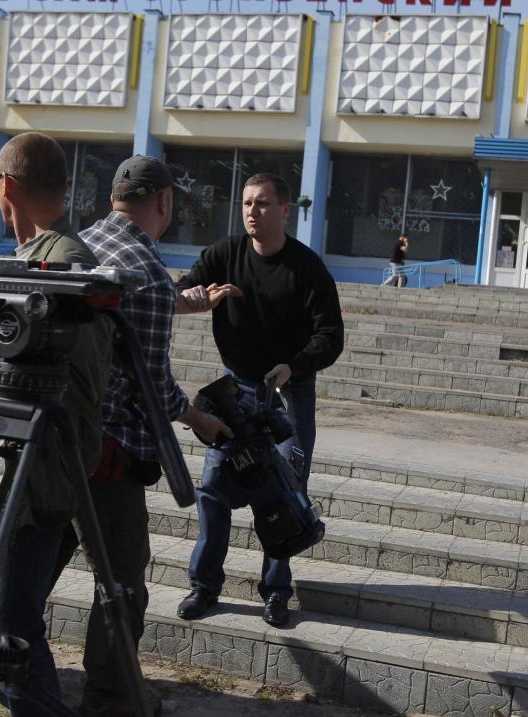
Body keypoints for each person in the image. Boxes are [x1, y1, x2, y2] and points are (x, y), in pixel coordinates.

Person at [0, 132, 111, 716]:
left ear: (5, 185)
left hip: (33, 478)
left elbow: (69, 385)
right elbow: (30, 359)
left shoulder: (68, 265)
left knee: (9, 634)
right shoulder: (33, 255)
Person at [50, 155, 232, 717]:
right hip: (110, 454)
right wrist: (201, 420)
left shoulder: (82, 244)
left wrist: (184, 302)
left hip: (54, 442)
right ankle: (111, 698)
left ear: (113, 197)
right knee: (122, 581)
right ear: (166, 203)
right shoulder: (149, 274)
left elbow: (119, 310)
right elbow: (154, 386)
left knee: (36, 564)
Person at [174, 172, 344, 627]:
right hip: (237, 388)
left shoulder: (307, 268)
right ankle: (204, 586)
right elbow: (181, 290)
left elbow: (332, 337)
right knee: (212, 488)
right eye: (248, 202)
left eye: (263, 203)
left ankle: (276, 592)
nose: (252, 210)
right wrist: (196, 299)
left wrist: (292, 366)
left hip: (289, 392)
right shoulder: (224, 254)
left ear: (285, 211)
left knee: (285, 494)